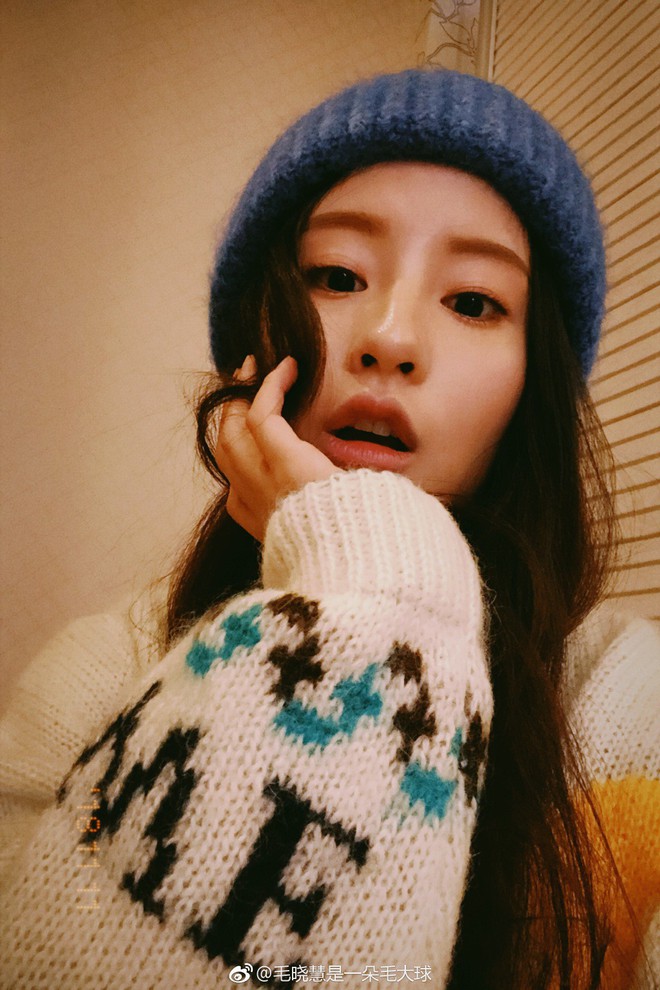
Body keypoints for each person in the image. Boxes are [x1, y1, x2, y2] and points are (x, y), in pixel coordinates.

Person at [0, 69, 657, 990]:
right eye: (337, 276)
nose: (390, 339)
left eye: (473, 301)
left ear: (532, 385)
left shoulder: (635, 704)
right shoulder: (99, 676)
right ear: (255, 341)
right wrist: (365, 584)